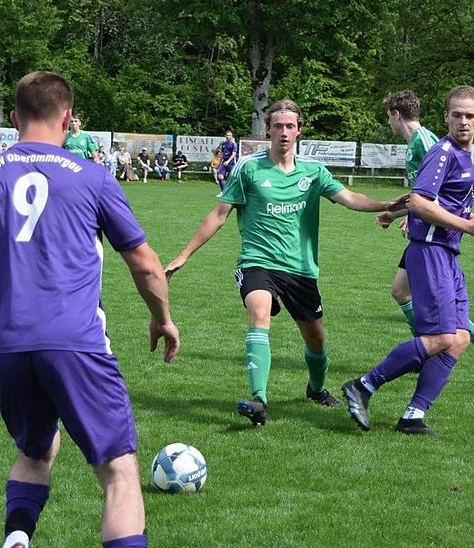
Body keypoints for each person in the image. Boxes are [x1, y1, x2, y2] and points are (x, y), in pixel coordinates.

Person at [0, 70, 179, 548]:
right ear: (69, 120)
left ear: (13, 119)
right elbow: (143, 262)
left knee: (35, 449)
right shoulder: (92, 176)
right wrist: (162, 316)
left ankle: (15, 546)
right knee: (119, 473)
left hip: (7, 345)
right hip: (76, 343)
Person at [165, 99, 407, 427]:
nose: (283, 132)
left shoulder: (314, 172)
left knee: (316, 339)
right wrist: (183, 255)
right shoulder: (248, 169)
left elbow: (350, 198)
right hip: (258, 262)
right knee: (259, 312)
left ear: (299, 131)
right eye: (277, 126)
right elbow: (219, 215)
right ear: (268, 131)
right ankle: (259, 399)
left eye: (290, 126)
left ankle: (317, 388)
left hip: (300, 269)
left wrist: (386, 203)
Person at [342, 85, 474, 436]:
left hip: (448, 252)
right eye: (457, 115)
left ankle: (413, 416)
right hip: (430, 252)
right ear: (445, 116)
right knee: (444, 336)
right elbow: (420, 203)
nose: (463, 122)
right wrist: (467, 225)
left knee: (459, 338)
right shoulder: (442, 152)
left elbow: (448, 203)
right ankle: (363, 386)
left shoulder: (463, 153)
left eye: (470, 116)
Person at [377, 90, 474, 385]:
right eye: (458, 115)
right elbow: (427, 193)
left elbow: (439, 194)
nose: (389, 123)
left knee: (438, 313)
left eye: (389, 117)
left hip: (435, 239)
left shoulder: (427, 142)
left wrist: (412, 214)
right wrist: (396, 213)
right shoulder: (417, 143)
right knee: (400, 291)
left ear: (397, 114)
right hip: (426, 231)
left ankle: (435, 350)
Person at [215, 129, 237, 195]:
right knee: (219, 176)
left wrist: (228, 161)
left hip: (231, 163)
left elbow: (233, 154)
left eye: (229, 135)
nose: (228, 136)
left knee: (230, 179)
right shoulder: (223, 144)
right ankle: (223, 191)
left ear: (232, 136)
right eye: (227, 135)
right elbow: (222, 154)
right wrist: (219, 163)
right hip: (224, 163)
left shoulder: (234, 144)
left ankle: (231, 192)